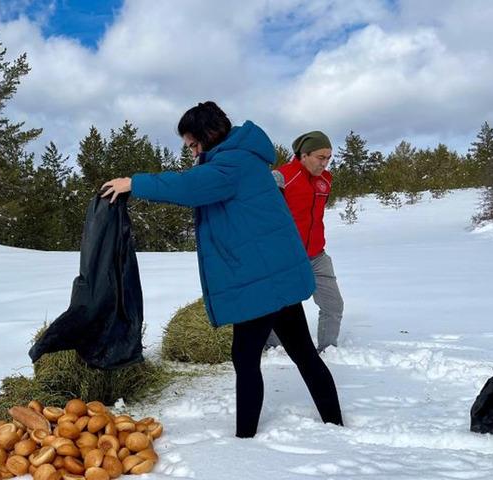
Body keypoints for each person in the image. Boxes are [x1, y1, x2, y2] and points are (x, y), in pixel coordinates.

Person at [101, 102, 343, 438]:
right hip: (275, 274)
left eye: (192, 144)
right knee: (302, 352)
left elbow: (188, 187)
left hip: (260, 280)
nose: (191, 151)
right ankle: (335, 424)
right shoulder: (242, 158)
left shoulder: (232, 164)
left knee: (245, 358)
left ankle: (244, 441)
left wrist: (133, 183)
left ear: (207, 136)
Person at [267, 131, 345, 352]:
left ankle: (328, 349)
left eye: (329, 157)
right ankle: (274, 348)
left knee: (333, 304)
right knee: (278, 306)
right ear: (304, 154)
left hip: (317, 255)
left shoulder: (325, 181)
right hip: (286, 258)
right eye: (321, 157)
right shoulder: (281, 177)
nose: (325, 163)